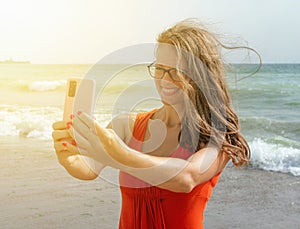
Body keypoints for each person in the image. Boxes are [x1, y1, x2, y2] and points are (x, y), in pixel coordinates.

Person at [52, 19, 252, 228]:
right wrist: (69, 158)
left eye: (176, 71)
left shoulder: (217, 137)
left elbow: (186, 178)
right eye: (160, 68)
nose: (165, 79)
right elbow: (88, 170)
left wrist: (116, 155)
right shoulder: (126, 126)